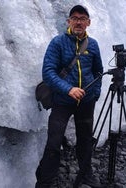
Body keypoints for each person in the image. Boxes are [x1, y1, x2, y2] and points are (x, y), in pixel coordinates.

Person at [35, 5, 104, 188]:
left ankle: (85, 174)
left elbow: (99, 72)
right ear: (68, 22)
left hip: (86, 102)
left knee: (85, 140)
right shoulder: (58, 42)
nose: (78, 22)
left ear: (88, 22)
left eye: (82, 18)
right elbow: (48, 72)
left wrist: (94, 94)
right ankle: (45, 181)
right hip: (63, 102)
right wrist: (68, 89)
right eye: (74, 18)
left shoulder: (93, 45)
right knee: (53, 142)